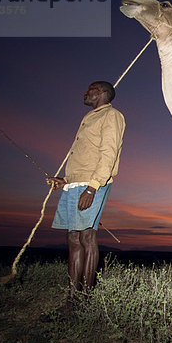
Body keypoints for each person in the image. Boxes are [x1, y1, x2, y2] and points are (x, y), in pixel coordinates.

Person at [47, 81, 125, 308]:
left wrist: (92, 187)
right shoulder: (90, 117)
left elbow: (108, 153)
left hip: (92, 184)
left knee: (87, 237)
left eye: (90, 89)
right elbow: (85, 155)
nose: (85, 93)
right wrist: (66, 181)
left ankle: (84, 300)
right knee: (73, 238)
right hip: (76, 184)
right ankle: (73, 298)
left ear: (101, 93)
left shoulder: (112, 116)